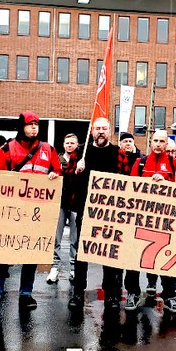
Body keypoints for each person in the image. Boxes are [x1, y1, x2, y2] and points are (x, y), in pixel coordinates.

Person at [0, 112, 60, 313]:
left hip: (37, 212)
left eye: (37, 124)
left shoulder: (48, 149)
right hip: (12, 211)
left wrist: (54, 175)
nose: (34, 128)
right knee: (3, 252)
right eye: (30, 124)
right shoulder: (8, 149)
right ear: (22, 127)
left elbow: (57, 173)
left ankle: (26, 293)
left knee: (32, 252)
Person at [68, 117, 131, 311]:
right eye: (97, 129)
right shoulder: (80, 153)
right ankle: (78, 292)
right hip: (86, 209)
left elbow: (128, 180)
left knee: (110, 253)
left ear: (110, 131)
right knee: (82, 252)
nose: (101, 132)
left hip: (111, 213)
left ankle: (111, 294)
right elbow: (67, 179)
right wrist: (76, 170)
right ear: (92, 131)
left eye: (104, 128)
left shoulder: (118, 153)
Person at [125, 129, 176, 314]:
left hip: (168, 222)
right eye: (155, 141)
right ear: (150, 143)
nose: (158, 144)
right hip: (142, 220)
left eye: (162, 141)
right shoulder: (140, 163)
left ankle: (170, 297)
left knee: (168, 258)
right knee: (134, 258)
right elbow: (131, 189)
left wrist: (166, 181)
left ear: (167, 144)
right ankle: (133, 293)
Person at [48, 133, 81, 284]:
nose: (69, 145)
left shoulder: (81, 160)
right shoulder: (56, 159)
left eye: (72, 143)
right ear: (63, 144)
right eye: (67, 143)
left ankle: (73, 268)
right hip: (59, 203)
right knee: (56, 237)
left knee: (74, 238)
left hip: (75, 203)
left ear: (77, 144)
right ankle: (55, 267)